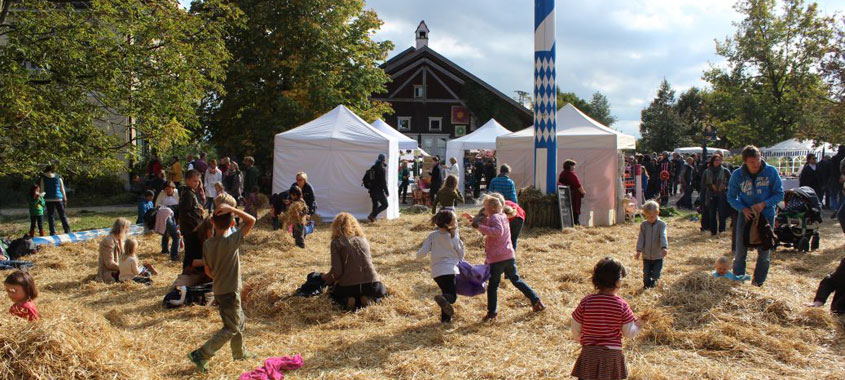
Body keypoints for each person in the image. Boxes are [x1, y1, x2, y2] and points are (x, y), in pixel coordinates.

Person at [188, 194, 256, 372]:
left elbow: (208, 271)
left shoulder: (208, 244)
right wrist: (233, 209)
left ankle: (239, 353)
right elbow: (252, 220)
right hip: (230, 290)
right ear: (233, 224)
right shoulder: (231, 242)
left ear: (212, 223)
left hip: (219, 288)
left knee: (239, 320)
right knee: (231, 328)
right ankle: (202, 354)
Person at [470, 195, 544, 322]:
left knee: (493, 286)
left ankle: (492, 314)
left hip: (497, 259)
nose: (485, 210)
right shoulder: (503, 215)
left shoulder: (494, 217)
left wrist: (479, 227)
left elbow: (497, 231)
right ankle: (536, 301)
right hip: (508, 256)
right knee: (516, 280)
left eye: (485, 208)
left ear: (490, 209)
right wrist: (475, 221)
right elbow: (492, 224)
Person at [570, 257, 642, 380]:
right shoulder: (621, 305)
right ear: (618, 282)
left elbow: (575, 324)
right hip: (611, 356)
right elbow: (629, 333)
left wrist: (579, 338)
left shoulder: (587, 301)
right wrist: (639, 324)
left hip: (589, 354)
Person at [727, 145, 784, 287]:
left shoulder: (770, 171)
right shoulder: (737, 175)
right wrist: (743, 209)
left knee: (764, 252)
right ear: (745, 161)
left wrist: (765, 203)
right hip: (746, 216)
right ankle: (738, 280)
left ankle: (758, 282)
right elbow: (731, 197)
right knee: (740, 250)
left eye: (757, 159)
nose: (756, 164)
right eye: (752, 161)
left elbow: (779, 193)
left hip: (766, 215)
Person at [321, 212, 387, 310]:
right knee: (383, 292)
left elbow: (337, 271)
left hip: (348, 288)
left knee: (332, 295)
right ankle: (370, 299)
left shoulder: (336, 242)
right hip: (371, 285)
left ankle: (346, 301)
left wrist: (325, 277)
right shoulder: (363, 239)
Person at [417, 209, 465, 323]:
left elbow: (422, 253)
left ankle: (445, 320)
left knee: (445, 294)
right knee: (451, 297)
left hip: (436, 273)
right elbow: (461, 253)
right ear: (451, 223)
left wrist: (417, 256)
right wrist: (461, 261)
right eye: (455, 220)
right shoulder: (454, 237)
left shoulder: (432, 236)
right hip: (450, 270)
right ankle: (444, 301)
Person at [635, 201, 668, 289]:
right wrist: (639, 250)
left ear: (657, 213)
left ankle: (654, 285)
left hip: (657, 255)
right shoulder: (644, 225)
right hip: (646, 255)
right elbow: (641, 238)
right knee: (646, 273)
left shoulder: (662, 225)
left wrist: (664, 247)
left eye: (652, 216)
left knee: (656, 273)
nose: (650, 218)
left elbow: (663, 236)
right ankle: (646, 285)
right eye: (647, 216)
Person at [179, 170, 207, 267]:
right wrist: (195, 226)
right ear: (187, 180)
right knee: (191, 253)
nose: (197, 183)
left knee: (193, 252)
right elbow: (185, 212)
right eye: (194, 181)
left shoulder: (191, 193)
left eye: (198, 181)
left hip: (192, 228)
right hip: (190, 229)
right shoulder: (188, 194)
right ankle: (187, 273)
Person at [702, 154, 731, 236]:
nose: (718, 162)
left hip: (722, 194)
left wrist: (725, 185)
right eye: (716, 160)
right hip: (711, 194)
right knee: (712, 213)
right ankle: (713, 231)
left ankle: (722, 230)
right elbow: (703, 184)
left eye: (719, 160)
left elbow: (731, 182)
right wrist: (711, 186)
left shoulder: (725, 171)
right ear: (712, 161)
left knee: (722, 213)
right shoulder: (707, 171)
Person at [98, 218, 131, 284]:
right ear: (122, 229)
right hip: (110, 274)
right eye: (127, 229)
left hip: (119, 270)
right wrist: (125, 268)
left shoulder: (120, 240)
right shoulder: (108, 242)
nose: (128, 231)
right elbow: (109, 264)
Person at [40, 165, 71, 235]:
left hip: (48, 199)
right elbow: (62, 189)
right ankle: (67, 230)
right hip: (58, 198)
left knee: (51, 216)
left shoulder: (43, 178)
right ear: (53, 169)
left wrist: (41, 199)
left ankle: (52, 231)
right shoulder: (58, 177)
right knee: (62, 215)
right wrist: (65, 198)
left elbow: (42, 190)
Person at [558, 160, 586, 225]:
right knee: (575, 208)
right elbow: (578, 185)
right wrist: (583, 192)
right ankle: (576, 223)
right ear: (570, 166)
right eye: (573, 166)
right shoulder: (571, 174)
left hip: (565, 194)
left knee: (568, 209)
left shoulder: (563, 173)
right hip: (574, 195)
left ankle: (570, 223)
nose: (574, 167)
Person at [367, 154, 389, 222]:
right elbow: (383, 182)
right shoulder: (381, 168)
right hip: (378, 190)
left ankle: (372, 219)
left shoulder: (373, 167)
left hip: (372, 189)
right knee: (385, 204)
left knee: (375, 204)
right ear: (383, 160)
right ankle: (372, 215)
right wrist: (386, 191)